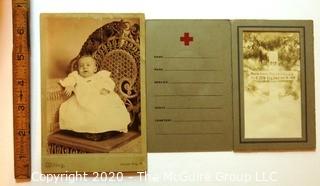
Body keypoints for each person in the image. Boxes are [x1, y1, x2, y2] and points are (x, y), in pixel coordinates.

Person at [58, 56, 131, 140]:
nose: (84, 67)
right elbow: (70, 80)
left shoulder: (100, 76)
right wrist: (70, 86)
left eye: (88, 65)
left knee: (104, 111)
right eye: (81, 66)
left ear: (95, 69)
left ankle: (106, 130)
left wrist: (106, 88)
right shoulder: (76, 77)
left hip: (100, 97)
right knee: (75, 113)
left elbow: (109, 82)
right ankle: (86, 131)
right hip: (81, 101)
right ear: (78, 69)